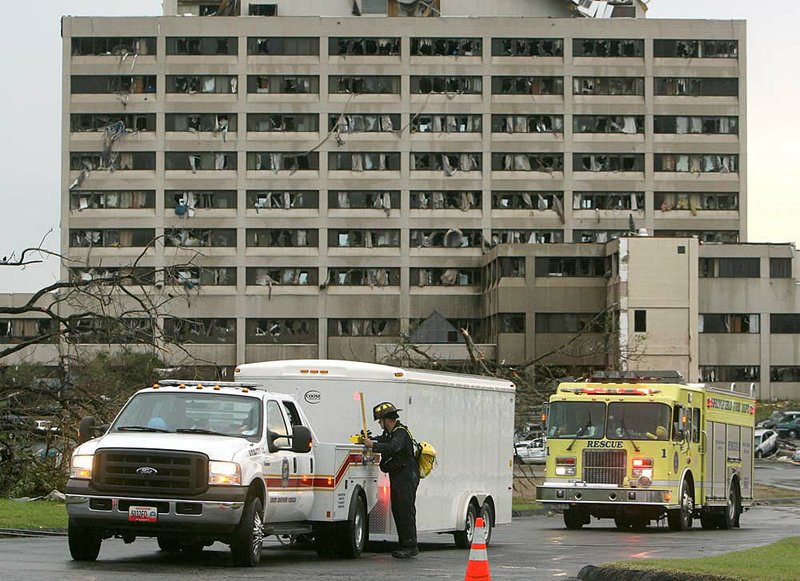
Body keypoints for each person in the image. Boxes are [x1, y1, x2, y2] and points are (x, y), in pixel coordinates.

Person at [363, 401, 419, 559]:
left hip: (406, 476)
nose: (380, 424)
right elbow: (383, 440)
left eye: (380, 421)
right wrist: (369, 438)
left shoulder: (400, 433)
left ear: (387, 419)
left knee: (405, 510)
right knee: (398, 510)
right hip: (398, 476)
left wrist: (372, 445)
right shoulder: (390, 433)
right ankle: (404, 544)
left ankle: (410, 545)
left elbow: (393, 447)